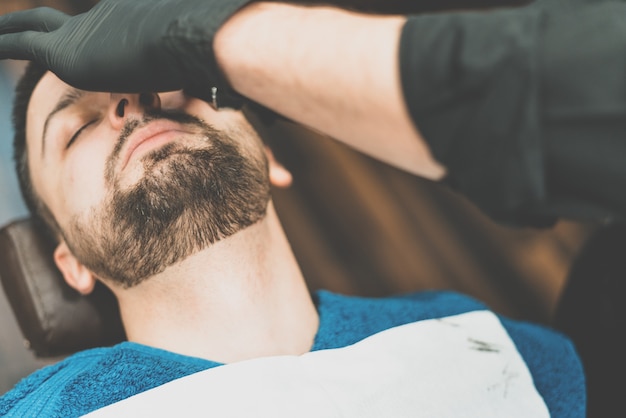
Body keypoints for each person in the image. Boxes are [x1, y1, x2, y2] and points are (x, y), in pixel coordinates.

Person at [1, 0, 621, 415]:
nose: (128, 104)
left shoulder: (507, 352)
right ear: (69, 263)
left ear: (268, 152)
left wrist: (213, 38)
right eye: (76, 127)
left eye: (163, 79)